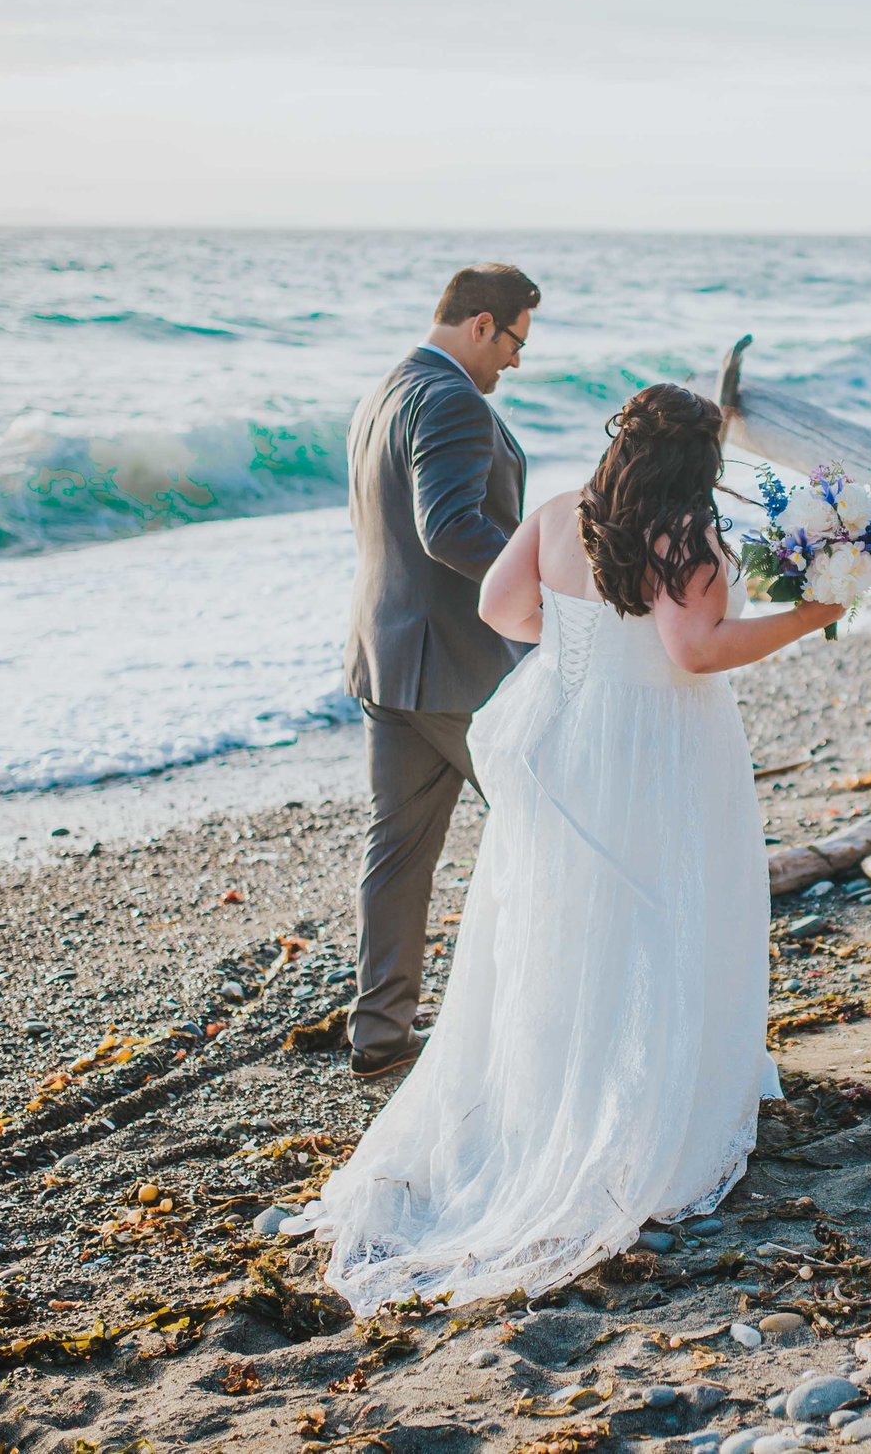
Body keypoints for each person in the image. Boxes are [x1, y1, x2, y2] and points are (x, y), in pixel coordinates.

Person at [293, 383, 843, 1311]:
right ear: (694, 463)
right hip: (659, 743)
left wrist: (582, 638)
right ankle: (648, 1105)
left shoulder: (560, 514)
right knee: (669, 909)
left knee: (564, 921)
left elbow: (502, 607)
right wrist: (810, 615)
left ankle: (546, 1096)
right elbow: (694, 652)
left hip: (570, 732)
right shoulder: (687, 537)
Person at [340, 262, 539, 1079]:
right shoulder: (454, 396)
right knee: (548, 824)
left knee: (397, 853)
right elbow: (450, 527)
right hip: (458, 666)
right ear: (482, 324)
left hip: (385, 659)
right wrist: (543, 587)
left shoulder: (384, 389)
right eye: (517, 340)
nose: (517, 362)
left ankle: (379, 1035)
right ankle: (536, 1022)